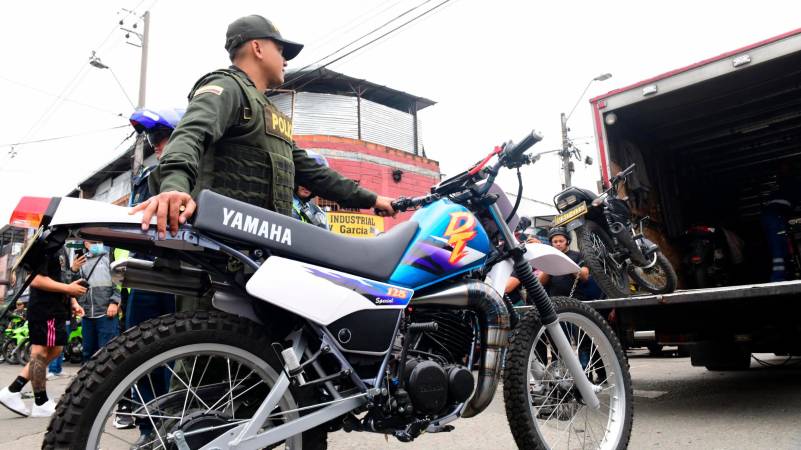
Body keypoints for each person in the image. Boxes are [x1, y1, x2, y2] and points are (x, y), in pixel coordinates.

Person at [132, 14, 395, 241]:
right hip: (220, 250)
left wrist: (372, 199)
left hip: (262, 249)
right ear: (257, 48)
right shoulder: (227, 87)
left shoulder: (269, 113)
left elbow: (313, 172)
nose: (285, 61)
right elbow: (190, 134)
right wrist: (175, 187)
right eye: (281, 51)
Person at [111, 108, 183, 434]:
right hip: (144, 275)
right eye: (154, 138)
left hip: (181, 276)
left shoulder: (195, 175)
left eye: (163, 136)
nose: (156, 143)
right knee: (140, 353)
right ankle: (148, 429)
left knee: (176, 356)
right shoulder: (145, 177)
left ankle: (175, 428)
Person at [0, 248, 85, 418]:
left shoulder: (60, 247)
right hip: (45, 308)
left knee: (55, 350)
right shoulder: (46, 245)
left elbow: (61, 277)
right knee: (40, 353)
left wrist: (73, 301)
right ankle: (40, 402)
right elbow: (35, 279)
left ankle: (13, 390)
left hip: (57, 308)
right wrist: (68, 289)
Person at [71, 240, 120, 362]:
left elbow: (119, 281)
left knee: (107, 353)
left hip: (106, 313)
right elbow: (71, 286)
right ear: (85, 243)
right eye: (92, 242)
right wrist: (73, 270)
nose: (95, 245)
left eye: (97, 242)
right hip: (87, 314)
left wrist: (114, 302)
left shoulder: (110, 257)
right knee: (87, 353)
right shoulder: (82, 260)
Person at [538, 227, 591, 299]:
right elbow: (540, 282)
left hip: (576, 299)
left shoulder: (578, 255)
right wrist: (550, 265)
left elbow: (584, 276)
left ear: (567, 242)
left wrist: (566, 263)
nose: (558, 244)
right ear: (551, 244)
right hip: (555, 300)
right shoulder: (549, 258)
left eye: (561, 241)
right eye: (555, 242)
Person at [292, 150, 330, 229]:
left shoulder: (318, 212)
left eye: (313, 182)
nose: (308, 186)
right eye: (304, 180)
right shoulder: (279, 203)